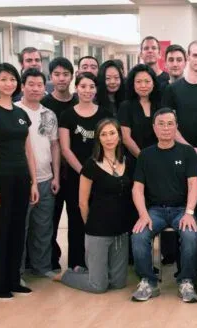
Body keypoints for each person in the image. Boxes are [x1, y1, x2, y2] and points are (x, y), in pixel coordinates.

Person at [0, 62, 40, 299]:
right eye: (3, 79)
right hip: (0, 180)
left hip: (21, 179)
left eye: (12, 79)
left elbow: (29, 151)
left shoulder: (21, 113)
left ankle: (13, 279)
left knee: (16, 232)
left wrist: (34, 182)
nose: (9, 83)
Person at [55, 118, 135, 293]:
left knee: (119, 283)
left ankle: (85, 271)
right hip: (98, 230)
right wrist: (90, 226)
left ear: (119, 137)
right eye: (103, 134)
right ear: (98, 139)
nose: (108, 138)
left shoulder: (127, 162)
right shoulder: (91, 165)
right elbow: (83, 202)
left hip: (120, 231)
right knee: (98, 286)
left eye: (112, 133)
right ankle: (67, 275)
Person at [130, 108, 197, 303]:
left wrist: (189, 213)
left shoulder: (187, 152)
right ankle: (148, 282)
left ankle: (186, 281)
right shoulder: (145, 155)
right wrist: (143, 215)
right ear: (154, 128)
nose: (166, 128)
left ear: (177, 126)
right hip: (155, 211)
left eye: (170, 124)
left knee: (190, 235)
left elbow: (193, 185)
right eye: (161, 124)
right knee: (139, 235)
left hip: (181, 210)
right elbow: (137, 189)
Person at [59, 72, 112, 271]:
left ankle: (99, 262)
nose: (87, 90)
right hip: (76, 176)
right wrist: (84, 172)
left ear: (96, 89)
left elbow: (111, 144)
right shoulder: (67, 115)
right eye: (83, 86)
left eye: (91, 86)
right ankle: (77, 262)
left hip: (102, 176)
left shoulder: (104, 114)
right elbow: (65, 149)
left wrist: (98, 173)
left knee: (100, 217)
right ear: (77, 88)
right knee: (76, 219)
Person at [15, 68, 60, 279]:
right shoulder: (13, 111)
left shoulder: (48, 114)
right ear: (22, 86)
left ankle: (42, 267)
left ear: (45, 87)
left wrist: (56, 176)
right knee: (19, 227)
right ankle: (17, 270)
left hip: (45, 178)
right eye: (30, 84)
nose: (35, 88)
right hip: (21, 180)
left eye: (39, 85)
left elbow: (54, 146)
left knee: (43, 227)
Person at [41, 57, 78, 270]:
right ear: (51, 77)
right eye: (57, 74)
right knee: (50, 219)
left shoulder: (78, 101)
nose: (61, 78)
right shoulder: (45, 105)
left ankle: (76, 261)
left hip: (74, 172)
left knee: (75, 218)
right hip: (50, 171)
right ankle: (50, 260)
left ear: (72, 76)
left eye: (65, 74)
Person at [120, 64, 161, 158]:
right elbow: (126, 138)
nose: (143, 85)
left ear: (153, 83)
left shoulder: (160, 106)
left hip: (159, 158)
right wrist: (143, 158)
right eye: (138, 82)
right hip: (134, 160)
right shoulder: (126, 106)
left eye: (147, 81)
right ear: (132, 83)